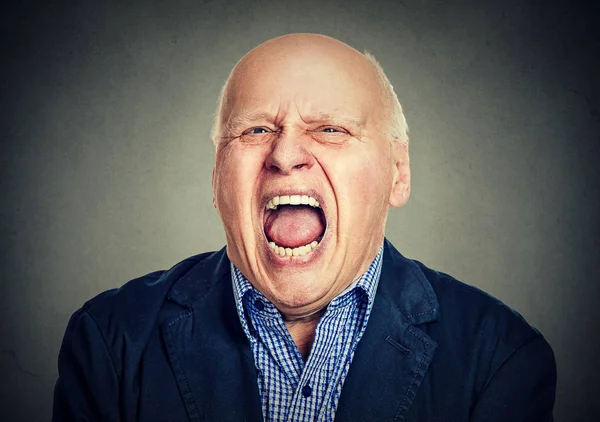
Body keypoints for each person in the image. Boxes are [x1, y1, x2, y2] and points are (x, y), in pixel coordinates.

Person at [53, 33, 556, 421]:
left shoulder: (500, 358)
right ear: (215, 178)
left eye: (331, 129)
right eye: (256, 129)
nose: (286, 155)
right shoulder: (110, 342)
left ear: (397, 174)